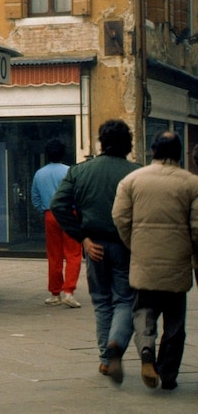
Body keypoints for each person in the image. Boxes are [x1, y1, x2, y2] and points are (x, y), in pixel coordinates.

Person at [51, 119, 139, 384]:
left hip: (94, 244)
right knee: (125, 299)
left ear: (101, 142)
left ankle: (104, 358)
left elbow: (58, 206)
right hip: (126, 245)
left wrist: (82, 237)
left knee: (101, 301)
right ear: (128, 143)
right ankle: (117, 343)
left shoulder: (80, 171)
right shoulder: (136, 173)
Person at [112, 131, 198, 390]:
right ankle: (168, 374)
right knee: (175, 322)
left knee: (144, 312)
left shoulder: (131, 180)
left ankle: (146, 352)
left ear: (153, 151)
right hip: (177, 264)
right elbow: (197, 228)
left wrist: (134, 244)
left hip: (144, 262)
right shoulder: (192, 183)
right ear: (179, 153)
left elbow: (120, 218)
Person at [31, 139, 82, 308]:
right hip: (69, 213)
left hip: (50, 214)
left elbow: (35, 198)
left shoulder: (39, 173)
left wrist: (43, 211)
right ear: (63, 154)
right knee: (73, 253)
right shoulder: (70, 171)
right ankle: (69, 291)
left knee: (54, 254)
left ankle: (55, 293)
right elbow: (78, 194)